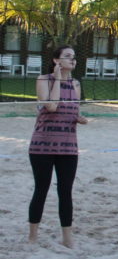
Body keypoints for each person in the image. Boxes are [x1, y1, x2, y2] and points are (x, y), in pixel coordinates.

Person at [28, 45, 88, 248]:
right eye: (68, 56)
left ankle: (67, 238)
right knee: (41, 189)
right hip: (42, 145)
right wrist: (59, 79)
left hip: (68, 146)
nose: (73, 60)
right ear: (56, 61)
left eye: (74, 57)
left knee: (66, 191)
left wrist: (79, 119)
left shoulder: (76, 84)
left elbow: (72, 110)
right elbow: (52, 106)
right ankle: (33, 237)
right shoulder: (44, 80)